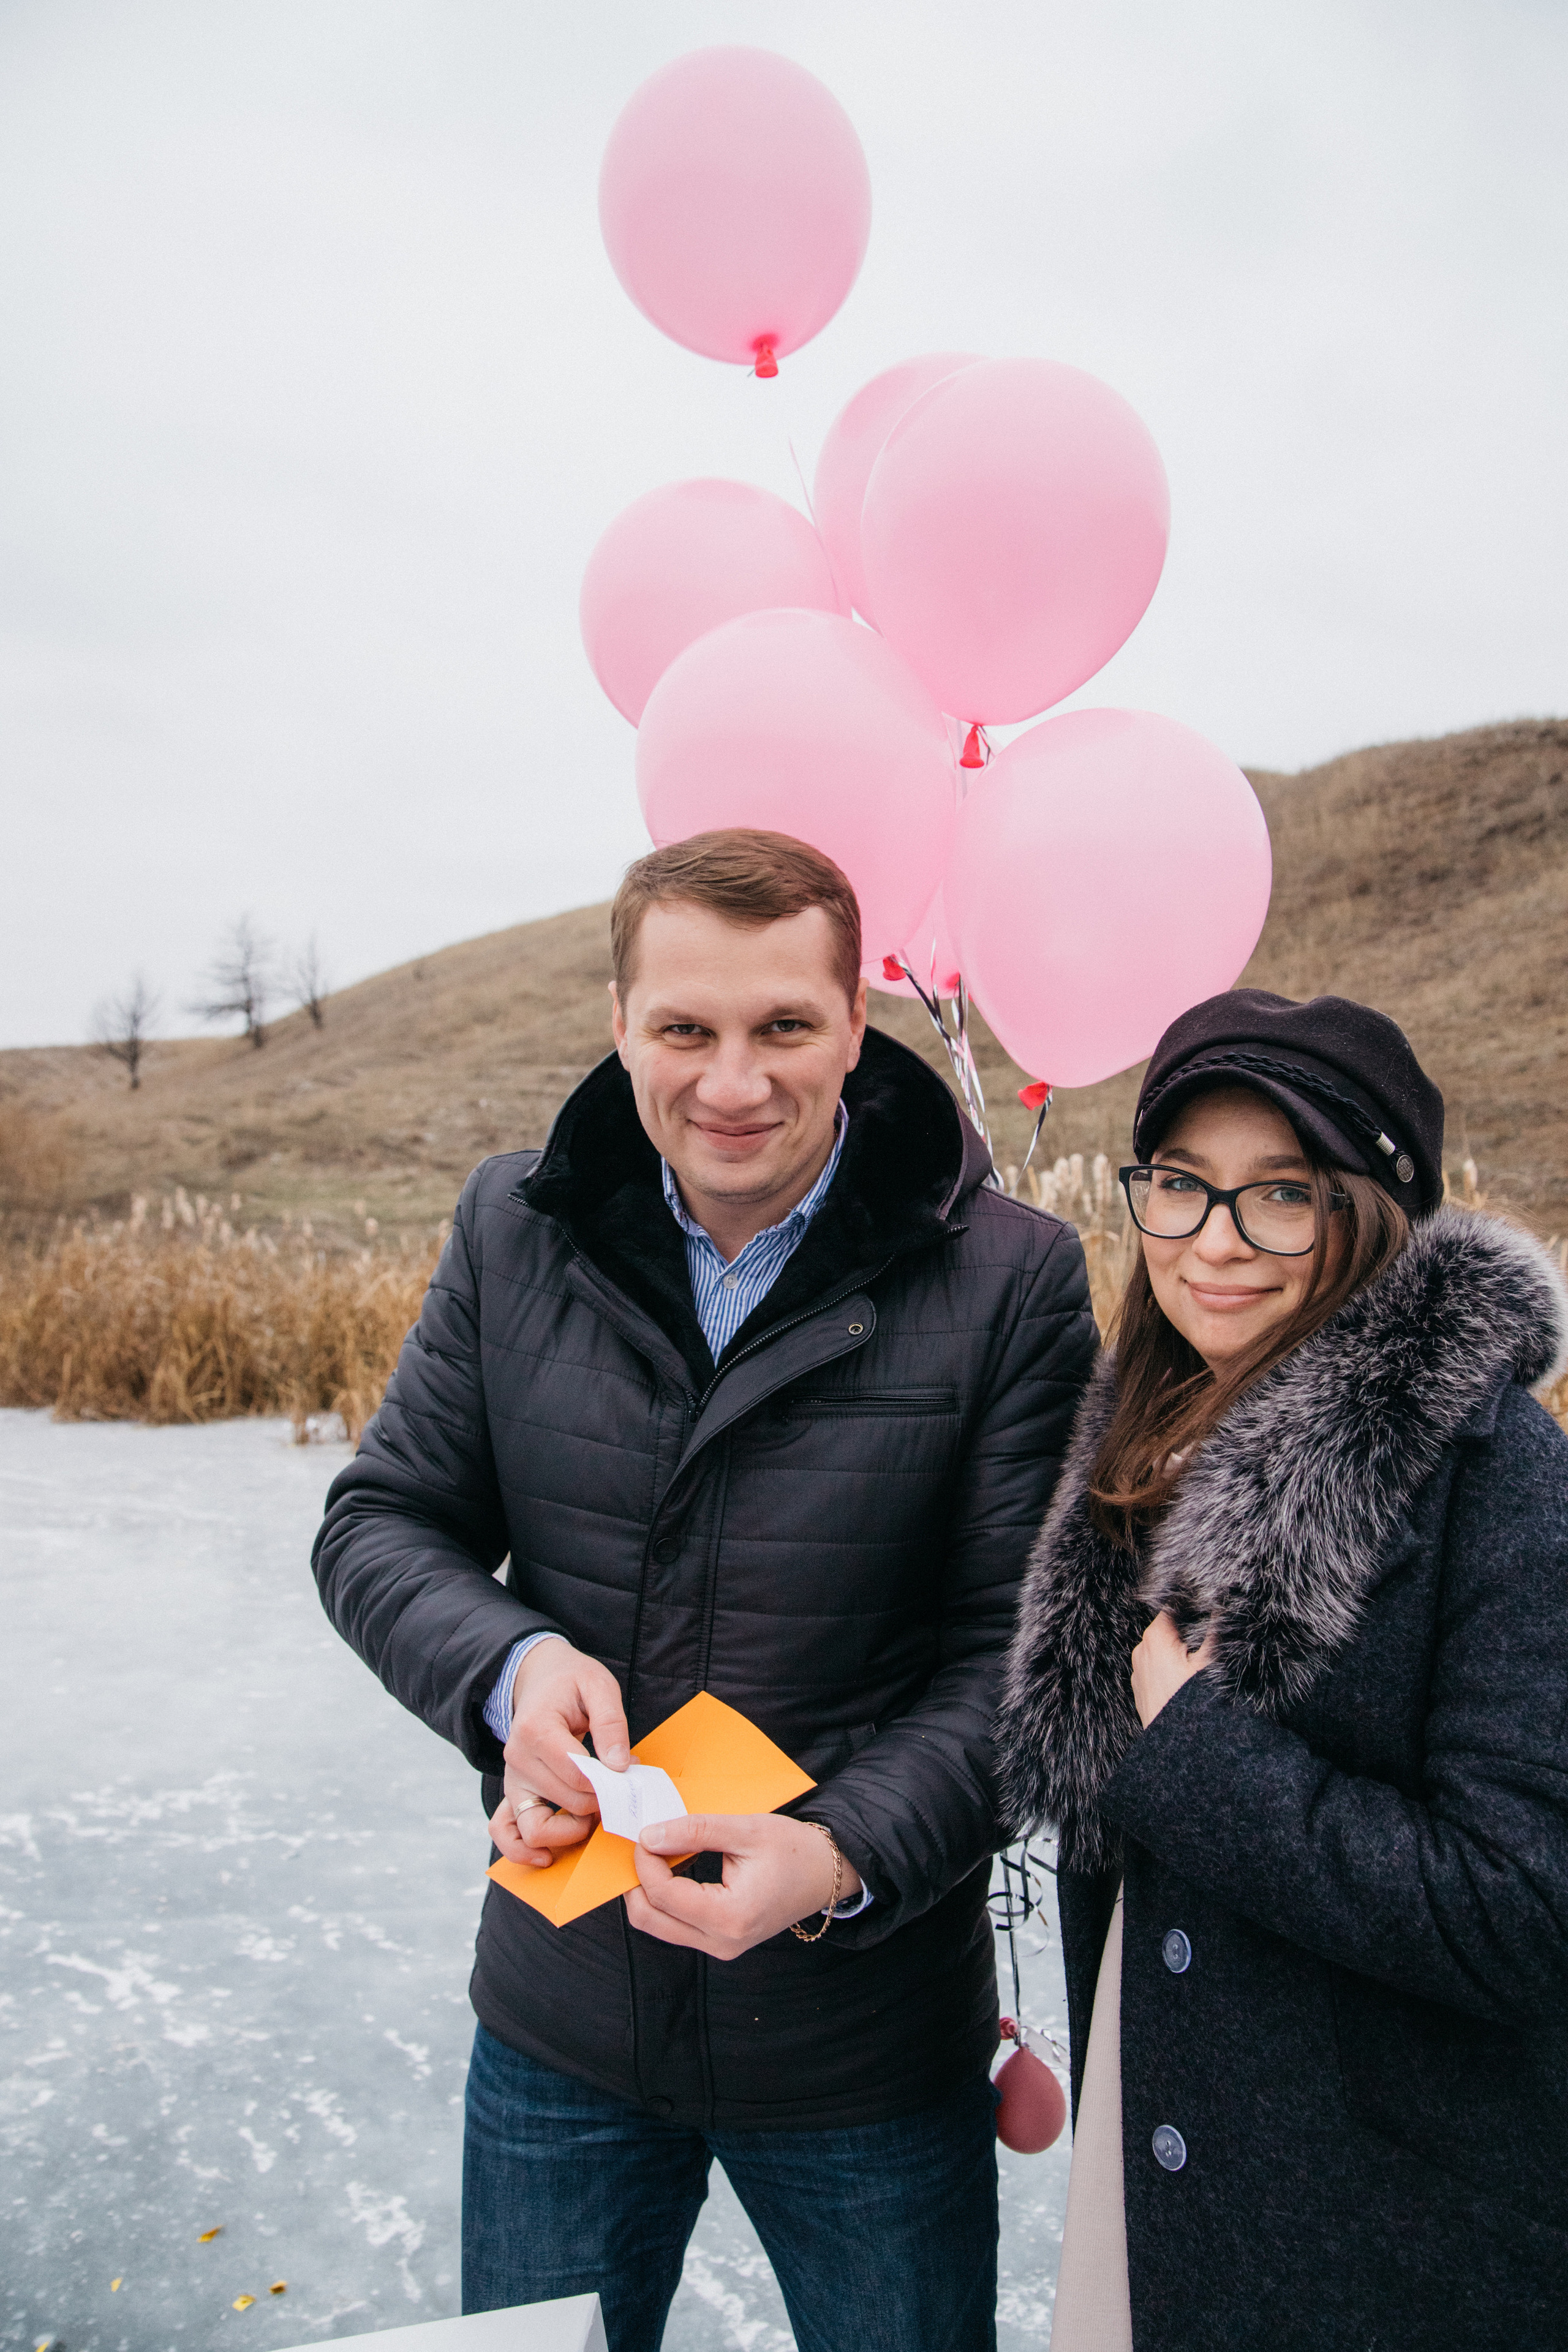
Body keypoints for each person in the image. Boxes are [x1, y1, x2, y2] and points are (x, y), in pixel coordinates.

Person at [312, 828, 1098, 2351]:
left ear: (853, 1025)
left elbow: (1017, 1667)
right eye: (684, 1029)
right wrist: (511, 1670)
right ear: (620, 1026)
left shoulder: (1009, 1279)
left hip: (861, 2054)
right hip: (560, 2023)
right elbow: (381, 1523)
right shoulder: (511, 1227)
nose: (731, 1083)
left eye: (781, 1026)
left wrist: (836, 1856)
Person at [995, 989, 1568, 2351]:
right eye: (1180, 1185)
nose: (1214, 1241)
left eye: (1281, 1195)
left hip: (1369, 2226)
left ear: (1369, 1213)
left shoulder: (1496, 1475)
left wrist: (1204, 1757)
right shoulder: (1141, 1440)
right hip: (1162, 2126)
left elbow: (1522, 1912)